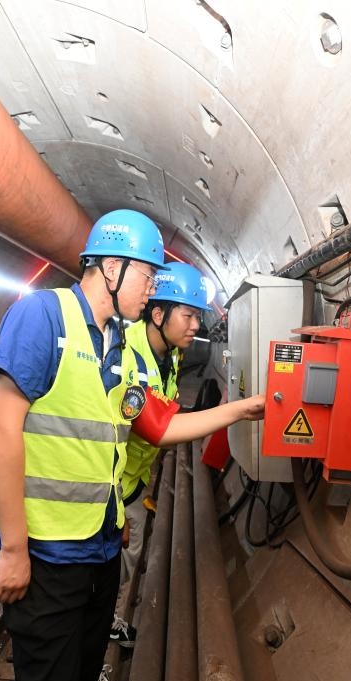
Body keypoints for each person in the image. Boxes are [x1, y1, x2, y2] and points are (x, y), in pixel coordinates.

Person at [0, 209, 263, 681]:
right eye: (147, 275)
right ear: (112, 268)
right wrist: (13, 549)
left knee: (83, 676)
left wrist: (241, 410)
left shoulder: (121, 347)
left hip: (100, 549)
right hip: (49, 552)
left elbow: (149, 430)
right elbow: (1, 428)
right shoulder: (44, 316)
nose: (151, 289)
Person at [109, 261, 209, 649]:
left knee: (124, 561)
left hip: (132, 481)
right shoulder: (127, 356)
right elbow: (150, 430)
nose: (196, 325)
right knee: (105, 570)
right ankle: (92, 645)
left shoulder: (169, 353)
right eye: (188, 315)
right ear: (158, 315)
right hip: (109, 488)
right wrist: (238, 411)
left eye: (198, 316)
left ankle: (104, 617)